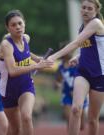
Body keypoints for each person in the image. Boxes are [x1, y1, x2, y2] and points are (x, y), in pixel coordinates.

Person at [47, 0, 104, 135]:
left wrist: (54, 56)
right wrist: (77, 57)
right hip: (83, 72)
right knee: (76, 109)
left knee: (92, 119)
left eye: (89, 8)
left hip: (99, 75)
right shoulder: (82, 27)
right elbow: (88, 48)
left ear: (96, 11)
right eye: (83, 7)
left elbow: (77, 42)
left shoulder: (96, 23)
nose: (85, 10)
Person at [0, 9, 53, 135]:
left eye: (20, 23)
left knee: (27, 117)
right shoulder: (6, 45)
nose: (18, 27)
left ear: (24, 24)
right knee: (15, 130)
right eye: (13, 25)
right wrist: (36, 66)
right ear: (7, 28)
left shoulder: (26, 38)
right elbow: (12, 71)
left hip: (26, 85)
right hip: (8, 90)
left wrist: (36, 59)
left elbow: (27, 52)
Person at [54, 52, 88, 132]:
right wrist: (57, 84)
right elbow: (57, 81)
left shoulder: (77, 64)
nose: (70, 52)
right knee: (70, 120)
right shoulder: (60, 67)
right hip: (66, 95)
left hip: (79, 95)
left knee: (82, 125)